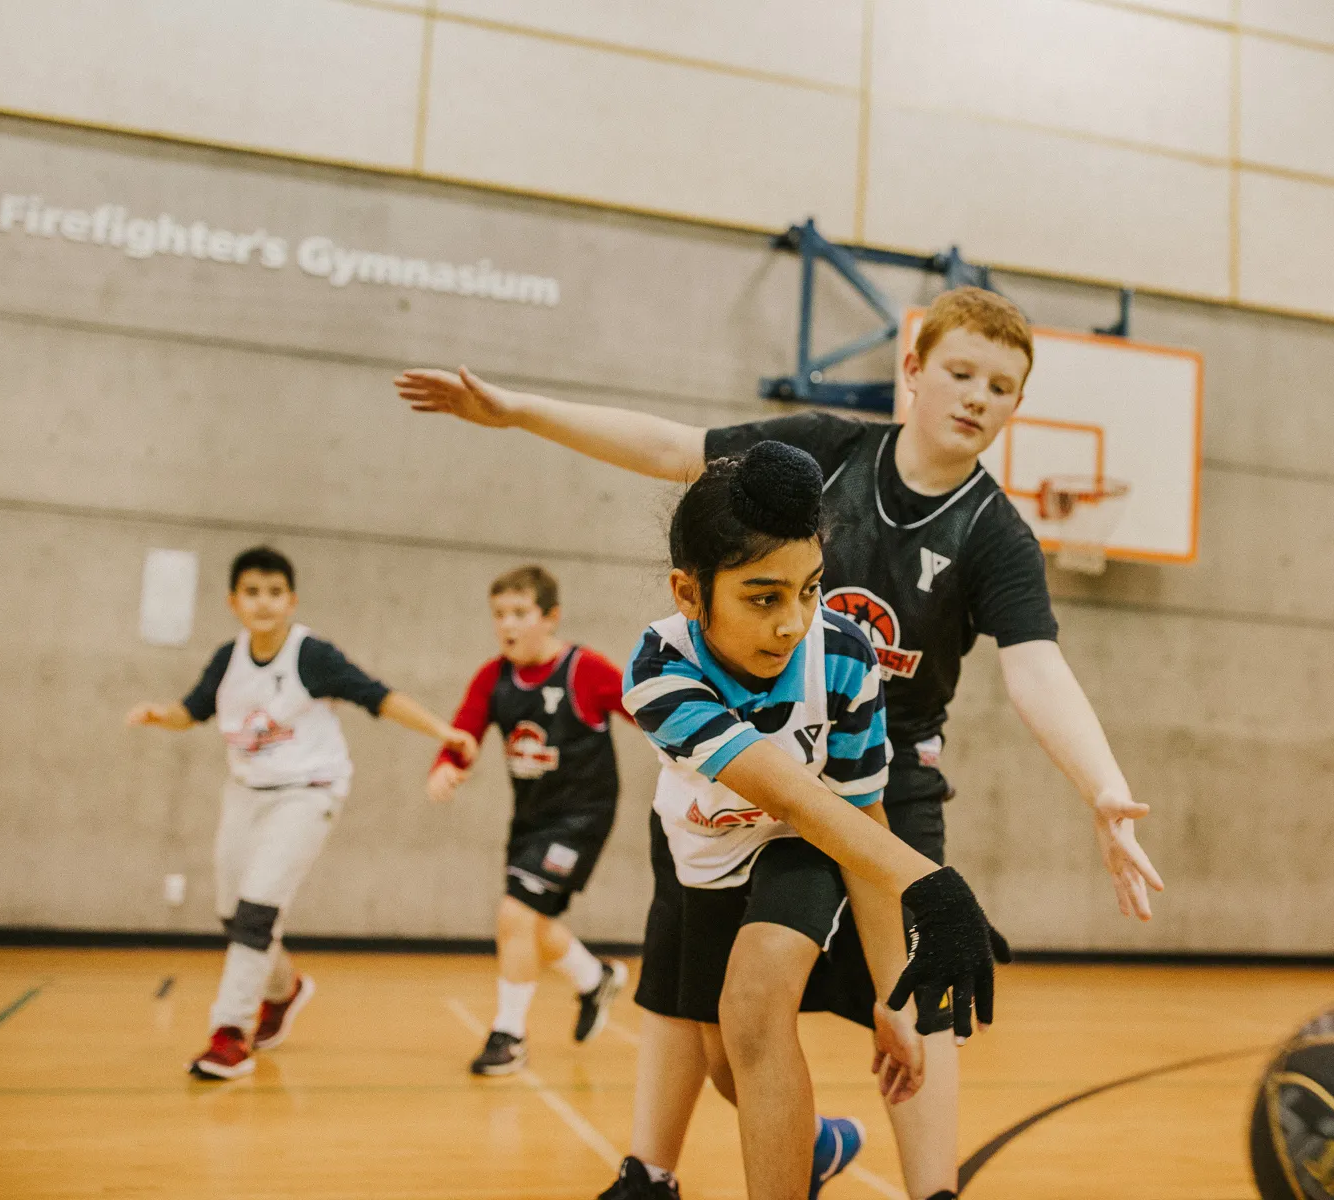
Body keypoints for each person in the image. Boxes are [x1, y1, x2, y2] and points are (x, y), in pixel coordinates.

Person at [394, 286, 1159, 1200]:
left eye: (1002, 386)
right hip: (737, 774)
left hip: (879, 765)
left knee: (917, 993)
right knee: (693, 997)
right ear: (910, 370)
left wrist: (1104, 788)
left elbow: (1035, 670)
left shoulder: (991, 536)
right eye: (961, 371)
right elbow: (675, 449)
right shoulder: (821, 460)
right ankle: (655, 1168)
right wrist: (517, 411)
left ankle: (934, 1190)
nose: (978, 396)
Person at [621, 439, 997, 1200]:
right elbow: (782, 786)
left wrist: (894, 998)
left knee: (756, 1009)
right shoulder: (660, 672)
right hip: (710, 852)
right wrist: (936, 886)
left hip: (806, 841)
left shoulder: (845, 657)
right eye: (764, 597)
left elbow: (851, 814)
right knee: (727, 1059)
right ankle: (815, 1144)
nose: (793, 622)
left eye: (810, 589)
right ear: (690, 594)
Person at [126, 545, 477, 1079]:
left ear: (290, 600)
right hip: (246, 794)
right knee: (233, 914)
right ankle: (283, 989)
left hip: (308, 793)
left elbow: (378, 696)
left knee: (257, 911)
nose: (263, 603)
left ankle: (230, 1033)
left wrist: (442, 731)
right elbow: (192, 710)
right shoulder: (229, 658)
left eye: (274, 593)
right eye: (252, 593)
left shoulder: (310, 656)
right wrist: (159, 715)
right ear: (233, 601)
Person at [428, 564, 633, 1074]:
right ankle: (594, 978)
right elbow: (463, 734)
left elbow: (648, 709)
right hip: (532, 817)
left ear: (550, 618)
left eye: (520, 613)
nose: (508, 625)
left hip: (582, 815)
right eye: (500, 614)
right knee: (532, 922)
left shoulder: (585, 670)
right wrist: (447, 767)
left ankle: (509, 1035)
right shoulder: (493, 678)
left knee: (515, 914)